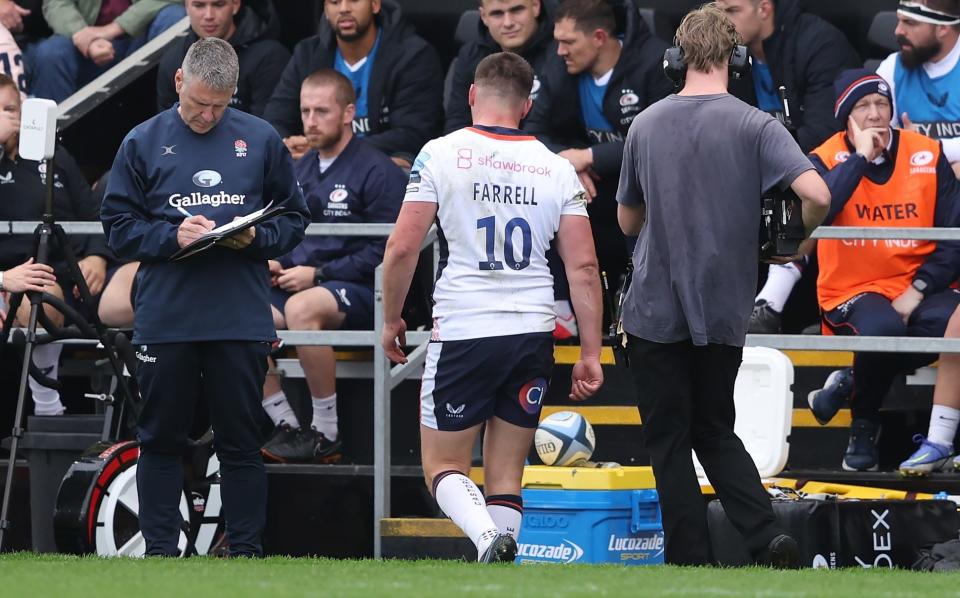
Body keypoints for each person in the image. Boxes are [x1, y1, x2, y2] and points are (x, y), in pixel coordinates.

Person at [616, 5, 830, 566]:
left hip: (653, 311)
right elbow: (820, 196)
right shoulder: (757, 125)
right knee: (715, 430)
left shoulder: (645, 124)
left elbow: (626, 222)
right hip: (724, 308)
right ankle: (764, 535)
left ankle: (688, 559)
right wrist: (788, 244)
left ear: (674, 60)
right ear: (736, 59)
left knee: (669, 443)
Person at [381, 52, 603, 563]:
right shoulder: (556, 167)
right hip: (532, 330)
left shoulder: (441, 153)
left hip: (466, 327)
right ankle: (503, 564)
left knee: (442, 466)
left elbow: (401, 248)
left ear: (472, 96)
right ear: (527, 106)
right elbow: (584, 267)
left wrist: (392, 317)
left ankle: (487, 540)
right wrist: (590, 350)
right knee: (506, 475)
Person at [100, 38, 309, 557]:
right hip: (167, 316)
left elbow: (294, 217)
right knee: (160, 440)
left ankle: (245, 552)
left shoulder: (260, 139)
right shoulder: (142, 141)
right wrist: (172, 237)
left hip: (238, 315)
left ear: (234, 94)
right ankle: (160, 552)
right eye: (198, 104)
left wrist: (256, 238)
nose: (207, 115)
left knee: (240, 443)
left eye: (219, 105)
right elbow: (118, 228)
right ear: (178, 83)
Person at [804, 69, 960, 473]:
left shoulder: (927, 153)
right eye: (863, 107)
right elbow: (818, 208)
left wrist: (920, 288)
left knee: (952, 327)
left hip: (918, 287)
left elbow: (953, 238)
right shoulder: (823, 158)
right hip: (852, 289)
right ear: (846, 118)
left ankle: (851, 383)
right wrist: (859, 159)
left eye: (882, 104)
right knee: (884, 331)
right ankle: (863, 423)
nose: (875, 115)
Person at [260, 69, 404, 463]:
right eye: (305, 110)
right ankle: (285, 424)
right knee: (236, 308)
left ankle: (326, 433)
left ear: (347, 113)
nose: (310, 120)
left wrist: (318, 275)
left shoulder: (378, 170)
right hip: (303, 283)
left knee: (301, 309)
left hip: (361, 288)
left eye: (321, 111)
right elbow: (293, 236)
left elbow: (387, 251)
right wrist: (279, 261)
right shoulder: (300, 169)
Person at [714, 0, 861, 334]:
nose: (721, 19)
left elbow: (825, 132)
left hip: (816, 165)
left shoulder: (821, 43)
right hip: (753, 169)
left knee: (795, 189)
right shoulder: (726, 50)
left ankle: (768, 306)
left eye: (732, 10)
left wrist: (752, 164)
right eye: (718, 8)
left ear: (764, 9)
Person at [524, 0, 671, 289]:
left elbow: (663, 141)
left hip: (646, 191)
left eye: (568, 42)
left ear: (600, 38)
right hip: (590, 187)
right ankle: (562, 316)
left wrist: (589, 156)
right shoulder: (559, 66)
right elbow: (532, 132)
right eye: (557, 41)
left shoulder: (655, 62)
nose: (560, 51)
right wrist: (569, 164)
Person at [0, 73, 111, 416]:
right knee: (36, 295)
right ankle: (46, 405)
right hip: (8, 270)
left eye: (12, 108)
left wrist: (97, 255)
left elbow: (91, 211)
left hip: (61, 267)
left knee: (44, 294)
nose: (9, 117)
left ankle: (50, 407)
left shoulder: (53, 154)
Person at [263, 0, 443, 167]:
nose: (344, 8)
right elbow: (275, 120)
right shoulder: (307, 54)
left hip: (379, 164)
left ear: (374, 4)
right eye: (334, 2)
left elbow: (412, 134)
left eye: (354, 0)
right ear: (325, 9)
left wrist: (332, 150)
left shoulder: (414, 55)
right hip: (315, 164)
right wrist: (288, 144)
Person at [29, 0, 186, 103]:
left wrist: (114, 28)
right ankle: (54, 144)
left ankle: (172, 121)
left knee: (173, 18)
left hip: (142, 38)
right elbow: (57, 4)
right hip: (84, 43)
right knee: (50, 53)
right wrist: (84, 36)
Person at [156, 0, 289, 116]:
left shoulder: (269, 56)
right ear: (186, 6)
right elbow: (168, 126)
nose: (208, 15)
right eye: (199, 5)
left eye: (218, 4)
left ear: (235, 4)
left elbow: (267, 129)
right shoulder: (173, 58)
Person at [877, 0, 960, 179]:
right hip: (911, 188)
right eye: (899, 20)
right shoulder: (891, 67)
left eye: (910, 23)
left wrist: (918, 146)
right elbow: (872, 136)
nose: (898, 31)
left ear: (942, 28)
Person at [444, 0, 553, 134]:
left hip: (545, 151)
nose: (508, 23)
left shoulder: (562, 51)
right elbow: (457, 123)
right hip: (482, 151)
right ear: (484, 16)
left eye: (517, 10)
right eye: (497, 14)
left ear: (536, 6)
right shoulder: (471, 55)